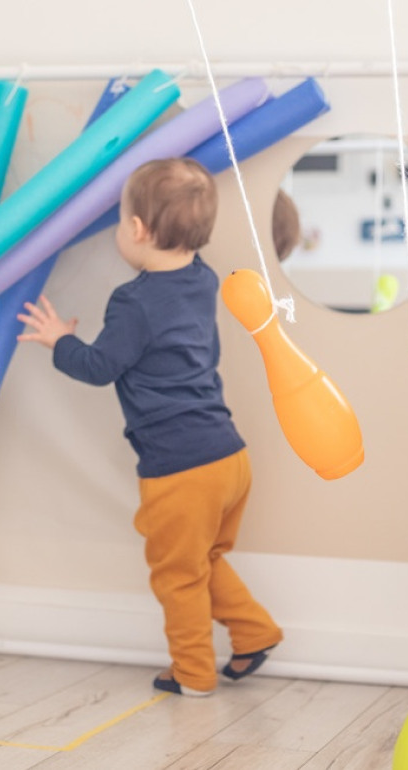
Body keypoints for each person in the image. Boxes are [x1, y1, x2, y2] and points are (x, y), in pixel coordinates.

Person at [17, 158, 282, 697]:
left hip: (181, 470)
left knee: (177, 575)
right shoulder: (201, 279)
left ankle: (193, 672)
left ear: (136, 230)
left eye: (120, 220)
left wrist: (58, 340)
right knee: (204, 560)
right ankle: (254, 632)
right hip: (230, 458)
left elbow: (98, 368)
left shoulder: (132, 302)